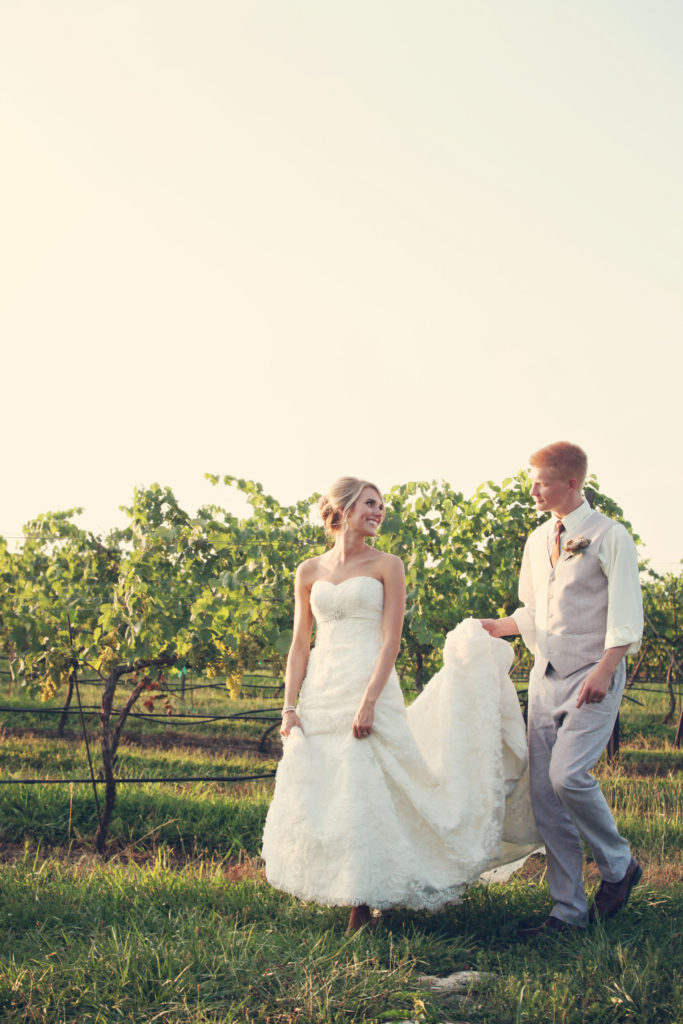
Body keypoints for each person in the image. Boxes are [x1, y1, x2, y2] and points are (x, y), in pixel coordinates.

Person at [261, 476, 538, 932]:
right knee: (332, 786)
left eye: (381, 505)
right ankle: (354, 885)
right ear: (344, 508)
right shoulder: (308, 570)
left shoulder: (388, 564)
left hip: (369, 682)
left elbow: (391, 639)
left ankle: (363, 905)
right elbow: (298, 643)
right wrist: (289, 706)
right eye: (370, 503)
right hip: (323, 687)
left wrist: (369, 700)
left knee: (366, 780)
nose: (379, 511)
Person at [481, 442, 644, 935]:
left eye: (542, 482)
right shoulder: (537, 540)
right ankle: (567, 912)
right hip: (545, 677)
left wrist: (606, 667)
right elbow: (532, 613)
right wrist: (490, 628)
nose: (533, 490)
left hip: (593, 674)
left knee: (567, 778)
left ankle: (619, 865)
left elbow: (625, 612)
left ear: (571, 482)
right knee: (545, 797)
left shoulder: (609, 536)